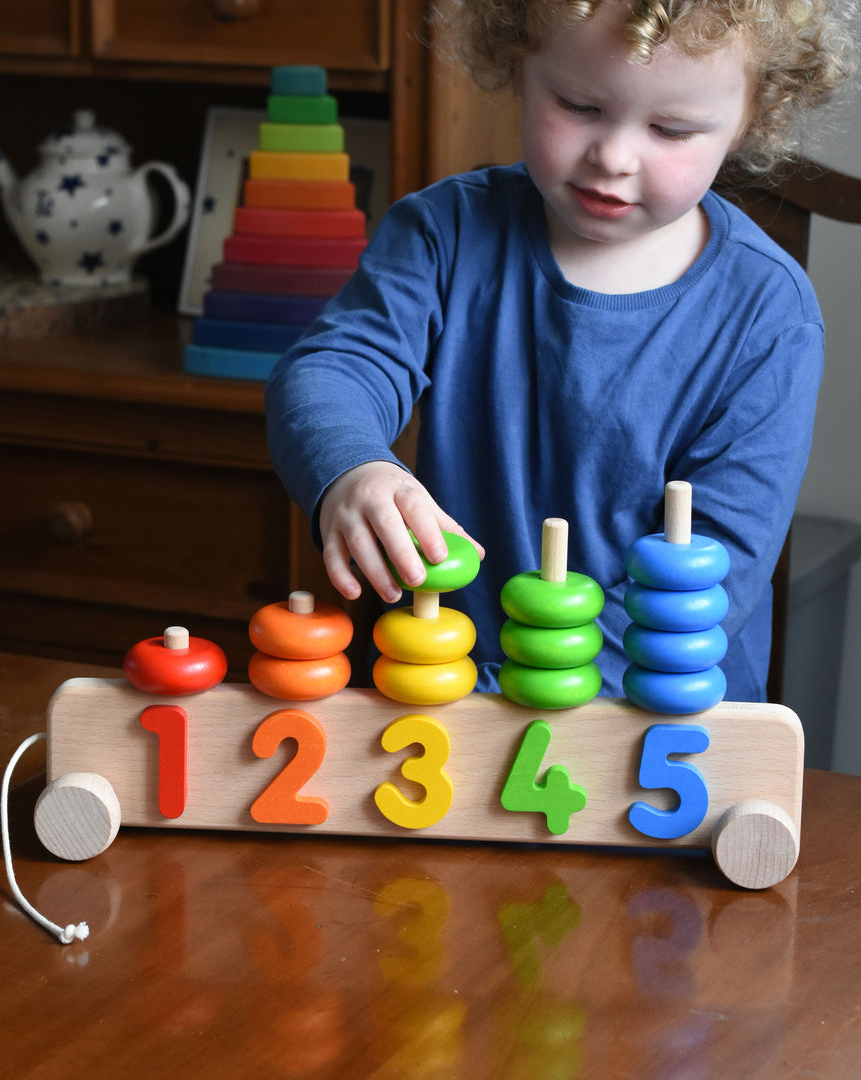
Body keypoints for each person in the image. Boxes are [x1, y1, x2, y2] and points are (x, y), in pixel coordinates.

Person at [266, 0, 855, 700]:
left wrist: (521, 698)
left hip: (657, 733)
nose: (613, 156)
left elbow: (718, 566)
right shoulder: (442, 235)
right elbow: (336, 370)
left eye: (671, 129)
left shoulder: (769, 316)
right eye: (578, 105)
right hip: (440, 716)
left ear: (749, 118)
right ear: (520, 66)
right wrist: (351, 468)